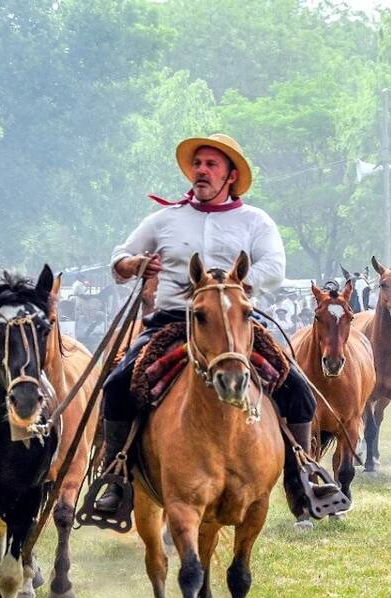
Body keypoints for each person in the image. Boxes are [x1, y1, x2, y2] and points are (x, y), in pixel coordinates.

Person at [91, 133, 342, 518]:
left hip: (238, 324)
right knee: (118, 384)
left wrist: (233, 291)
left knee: (296, 388)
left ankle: (302, 478)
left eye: (211, 165)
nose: (201, 171)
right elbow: (120, 258)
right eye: (197, 164)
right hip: (173, 323)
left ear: (231, 175)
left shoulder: (255, 221)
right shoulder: (164, 220)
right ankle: (117, 478)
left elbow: (274, 266)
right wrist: (131, 265)